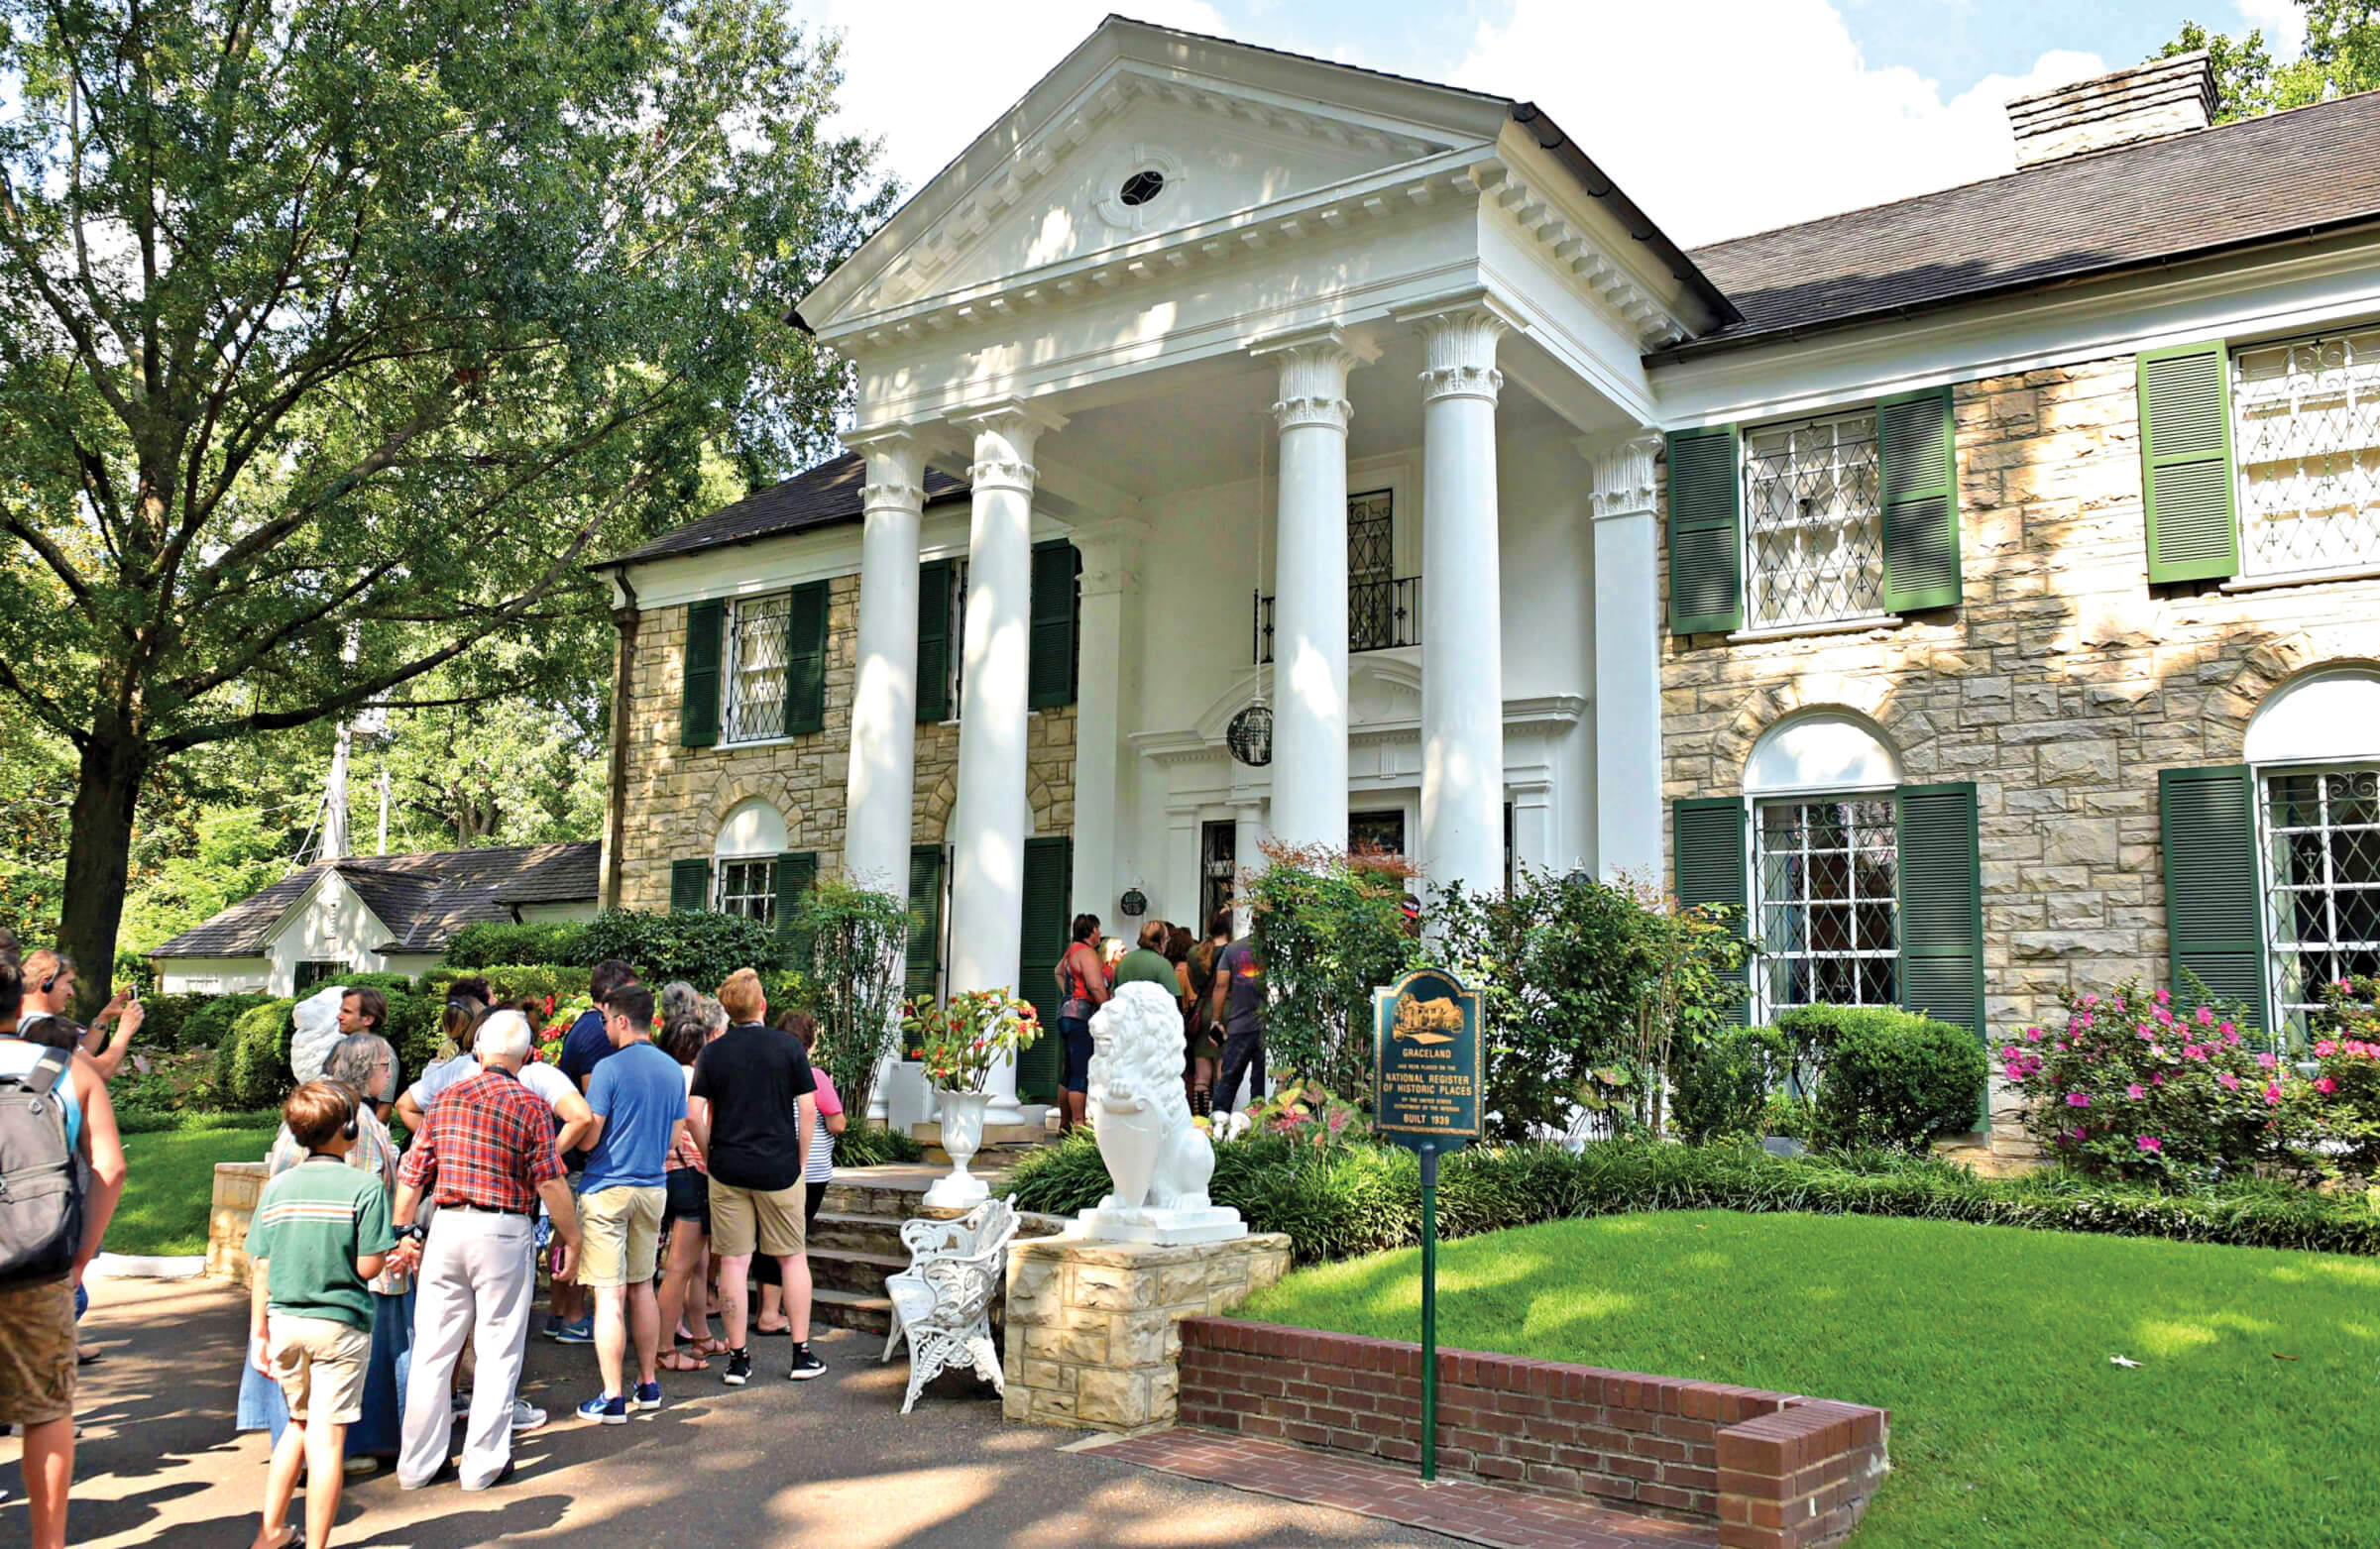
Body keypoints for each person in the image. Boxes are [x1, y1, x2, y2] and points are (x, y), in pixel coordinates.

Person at [389, 1011, 581, 1493]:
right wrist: (572, 1236)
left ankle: (417, 1464)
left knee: (433, 1348)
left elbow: (414, 1170)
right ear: (527, 1057)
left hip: (447, 1225)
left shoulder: (447, 1097)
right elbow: (550, 1180)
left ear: (478, 1051)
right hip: (502, 1228)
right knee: (498, 1350)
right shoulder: (530, 1104)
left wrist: (402, 1229)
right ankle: (482, 1465)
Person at [0, 954, 126, 1549]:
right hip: (38, 1260)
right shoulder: (67, 1067)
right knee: (47, 1408)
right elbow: (110, 1166)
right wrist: (80, 1257)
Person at [239, 1036, 410, 1470]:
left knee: (297, 1394)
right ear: (366, 1071)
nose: (389, 1076)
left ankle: (292, 1463)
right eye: (384, 1067)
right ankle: (339, 1454)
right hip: (346, 1276)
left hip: (291, 1277)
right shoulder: (359, 1124)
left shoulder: (307, 1116)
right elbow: (369, 1194)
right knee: (347, 1383)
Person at [244, 1081, 395, 1549]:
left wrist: (258, 1333)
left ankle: (269, 1533)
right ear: (350, 1129)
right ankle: (317, 1545)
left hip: (285, 1324)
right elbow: (368, 1265)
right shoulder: (365, 1187)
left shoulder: (279, 1187)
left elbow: (262, 1266)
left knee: (297, 1423)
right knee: (328, 1443)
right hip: (340, 1326)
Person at [689, 969, 823, 1386]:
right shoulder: (787, 1047)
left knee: (733, 1261)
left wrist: (712, 1157)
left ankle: (737, 1358)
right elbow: (809, 1109)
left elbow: (694, 1114)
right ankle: (801, 1353)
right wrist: (800, 1161)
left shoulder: (713, 1053)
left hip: (728, 1168)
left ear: (728, 1010)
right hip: (779, 1166)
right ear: (762, 1005)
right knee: (792, 1257)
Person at [571, 983, 685, 1424]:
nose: (603, 1028)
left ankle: (612, 1394)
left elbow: (593, 1131)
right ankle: (648, 1382)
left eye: (605, 1020)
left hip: (607, 1188)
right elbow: (675, 1139)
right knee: (642, 1287)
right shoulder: (673, 1069)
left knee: (608, 1295)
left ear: (621, 1020)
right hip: (653, 1187)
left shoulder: (608, 1069)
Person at [548, 959, 637, 1343]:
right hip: (584, 1157)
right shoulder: (600, 1036)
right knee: (577, 1232)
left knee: (565, 1230)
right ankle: (573, 1315)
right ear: (612, 998)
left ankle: (557, 1312)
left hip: (571, 1155)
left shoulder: (581, 1026)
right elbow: (594, 1098)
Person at [654, 1007, 719, 1373]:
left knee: (693, 1263)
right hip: (691, 1170)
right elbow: (699, 1121)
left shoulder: (662, 1074)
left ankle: (701, 1335)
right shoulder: (695, 1077)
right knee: (681, 1267)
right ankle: (665, 1348)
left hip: (665, 1171)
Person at [15, 949, 141, 1081]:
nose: (72, 993)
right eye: (69, 983)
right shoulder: (44, 1028)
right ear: (46, 983)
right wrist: (125, 1030)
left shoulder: (15, 1020)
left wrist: (103, 1019)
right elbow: (98, 1073)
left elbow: (78, 1055)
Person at [786, 1013, 845, 1236]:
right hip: (812, 1168)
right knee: (797, 1232)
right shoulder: (816, 1077)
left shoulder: (770, 1075)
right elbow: (837, 1125)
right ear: (809, 1043)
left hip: (775, 1163)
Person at [1055, 915, 1109, 1132]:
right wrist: (1107, 1008)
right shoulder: (1087, 953)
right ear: (1092, 930)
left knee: (1068, 1070)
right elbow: (1096, 986)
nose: (1099, 934)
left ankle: (1064, 1122)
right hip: (1081, 1015)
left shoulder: (1071, 950)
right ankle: (1079, 1123)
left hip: (1066, 1013)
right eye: (1098, 929)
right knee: (1080, 1071)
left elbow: (1058, 971)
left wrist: (1068, 993)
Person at [1207, 929, 1267, 1115]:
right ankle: (1260, 1128)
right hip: (1270, 1028)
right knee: (1261, 1083)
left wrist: (1216, 1020)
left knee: (1229, 1079)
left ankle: (1218, 1124)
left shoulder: (1233, 949)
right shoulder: (1278, 949)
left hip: (1239, 1025)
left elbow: (1221, 985)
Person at [1184, 911, 1231, 1118]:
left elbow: (1194, 984)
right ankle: (1221, 1113)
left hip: (1202, 1012)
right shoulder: (1234, 951)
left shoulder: (1195, 953)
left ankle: (1200, 1118)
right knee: (1223, 1067)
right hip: (1227, 1011)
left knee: (1201, 1073)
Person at [1111, 920, 1178, 994]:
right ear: (1161, 941)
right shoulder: (1163, 964)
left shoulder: (1124, 961)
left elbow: (1114, 993)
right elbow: (1174, 997)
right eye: (1167, 939)